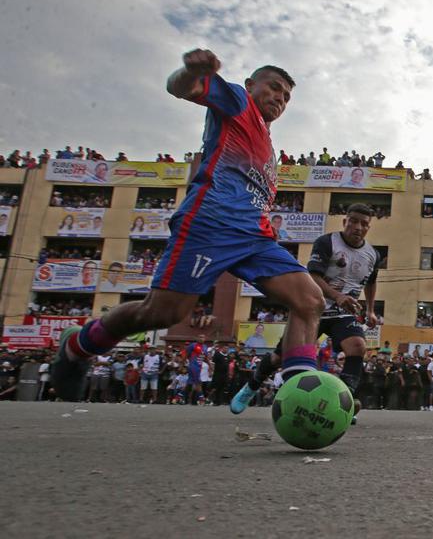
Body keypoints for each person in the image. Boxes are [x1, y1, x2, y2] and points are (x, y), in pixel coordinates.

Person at [50, 49, 325, 403]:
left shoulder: (270, 148)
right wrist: (192, 71)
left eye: (286, 96)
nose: (279, 98)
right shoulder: (238, 103)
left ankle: (300, 395)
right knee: (162, 313)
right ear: (250, 85)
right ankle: (76, 346)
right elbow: (181, 88)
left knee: (309, 300)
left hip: (255, 237)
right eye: (273, 88)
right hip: (210, 226)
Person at [232, 204, 382, 424]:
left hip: (343, 313)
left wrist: (370, 309)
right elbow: (313, 277)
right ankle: (252, 386)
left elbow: (372, 281)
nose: (358, 227)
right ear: (345, 222)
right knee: (279, 357)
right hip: (313, 308)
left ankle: (345, 402)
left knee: (358, 347)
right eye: (353, 221)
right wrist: (337, 296)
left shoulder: (373, 255)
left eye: (364, 223)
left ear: (369, 227)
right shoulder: (327, 242)